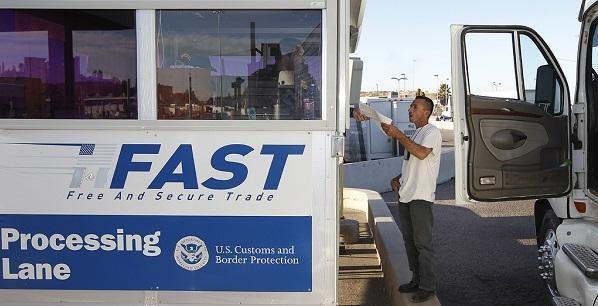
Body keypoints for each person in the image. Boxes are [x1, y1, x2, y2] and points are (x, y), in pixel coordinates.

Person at [354, 96, 442, 303]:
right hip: (406, 196)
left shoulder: (432, 132)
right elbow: (412, 161)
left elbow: (421, 154)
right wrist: (399, 178)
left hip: (420, 197)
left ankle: (427, 286)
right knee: (410, 242)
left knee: (423, 244)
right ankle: (416, 280)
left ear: (426, 112)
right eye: (410, 107)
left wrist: (399, 135)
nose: (410, 110)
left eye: (414, 107)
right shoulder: (418, 133)